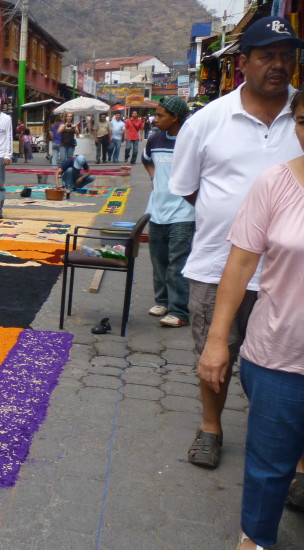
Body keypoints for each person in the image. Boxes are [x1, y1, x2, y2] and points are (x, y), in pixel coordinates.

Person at [168, 15, 304, 472]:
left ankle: (293, 448)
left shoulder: (302, 116)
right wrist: (230, 216)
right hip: (217, 264)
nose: (279, 65)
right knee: (215, 351)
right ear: (243, 62)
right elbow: (187, 188)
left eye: (287, 56)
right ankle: (211, 428)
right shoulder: (207, 121)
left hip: (290, 272)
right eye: (268, 56)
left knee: (292, 365)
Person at [196, 87, 304, 550]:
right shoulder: (275, 183)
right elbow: (239, 265)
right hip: (280, 352)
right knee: (268, 464)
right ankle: (256, 539)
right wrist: (217, 339)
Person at [141, 96, 194, 329]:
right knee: (159, 260)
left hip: (184, 213)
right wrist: (154, 177)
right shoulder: (154, 138)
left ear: (175, 117)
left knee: (177, 263)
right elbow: (146, 160)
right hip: (157, 210)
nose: (156, 119)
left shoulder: (191, 141)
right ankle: (162, 302)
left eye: (161, 115)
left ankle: (178, 310)